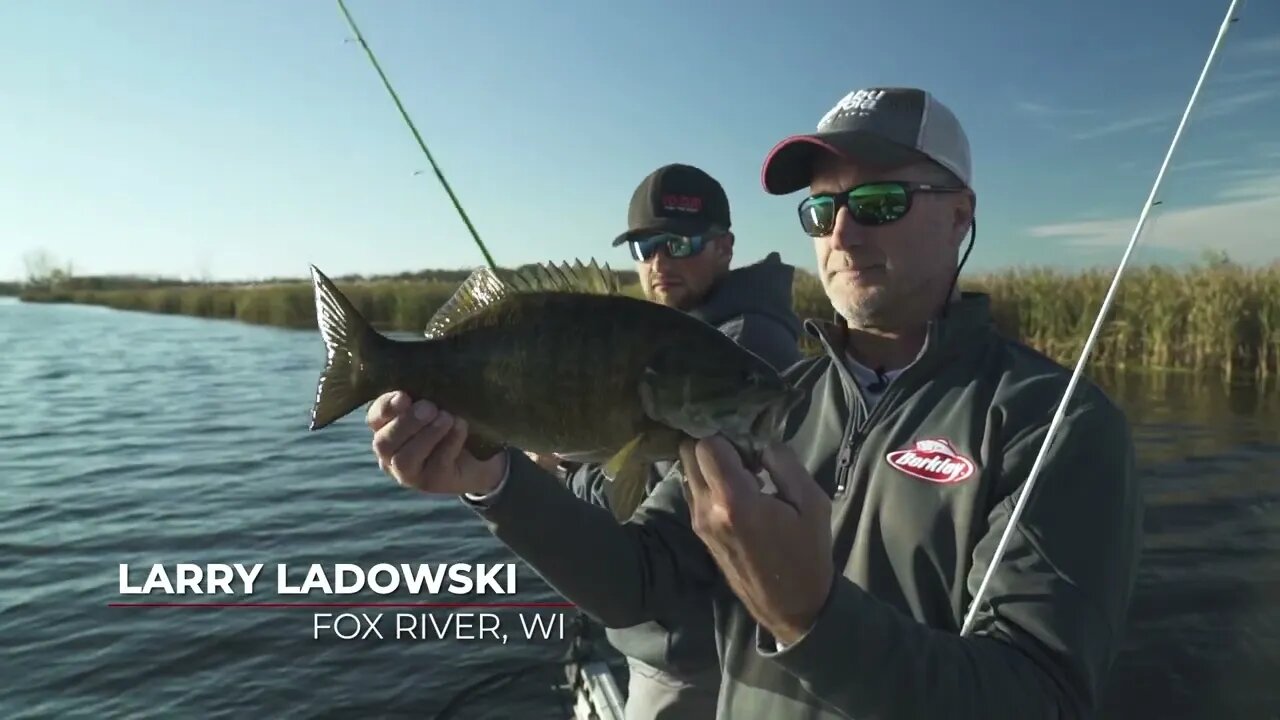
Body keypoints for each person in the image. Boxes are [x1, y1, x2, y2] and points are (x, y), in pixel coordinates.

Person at [367, 86, 1144, 718]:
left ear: (961, 214)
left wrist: (812, 616)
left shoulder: (1050, 423)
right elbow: (638, 581)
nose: (841, 230)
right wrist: (494, 482)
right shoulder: (776, 399)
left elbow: (1042, 696)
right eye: (820, 209)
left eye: (877, 202)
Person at [528, 162, 803, 720]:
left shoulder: (741, 350)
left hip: (705, 657)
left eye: (678, 242)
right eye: (645, 246)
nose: (659, 262)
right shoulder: (682, 333)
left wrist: (560, 471)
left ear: (725, 246)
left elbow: (643, 512)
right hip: (675, 639)